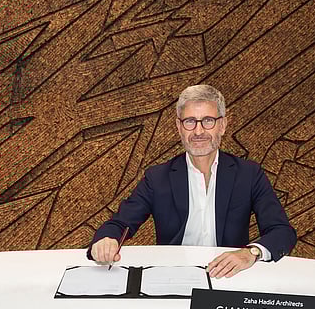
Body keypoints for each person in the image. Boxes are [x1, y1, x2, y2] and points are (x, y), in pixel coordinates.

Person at [89, 84, 296, 278]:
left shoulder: (249, 174)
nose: (198, 131)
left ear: (222, 125)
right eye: (190, 121)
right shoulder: (157, 177)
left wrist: (250, 253)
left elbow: (282, 231)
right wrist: (106, 240)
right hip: (173, 279)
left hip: (229, 278)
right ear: (179, 127)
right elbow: (120, 223)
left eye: (208, 121)